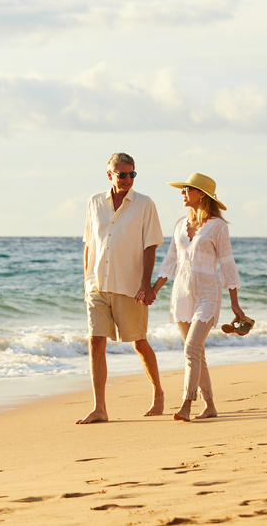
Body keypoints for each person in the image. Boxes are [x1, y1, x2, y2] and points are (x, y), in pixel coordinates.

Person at [149, 173, 247, 422]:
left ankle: (186, 403)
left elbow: (227, 263)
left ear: (201, 194)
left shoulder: (218, 227)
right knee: (196, 352)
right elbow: (171, 258)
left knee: (192, 347)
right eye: (182, 189)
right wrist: (154, 289)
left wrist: (235, 304)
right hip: (182, 293)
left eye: (187, 189)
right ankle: (210, 405)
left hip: (207, 293)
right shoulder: (180, 224)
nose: (182, 193)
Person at [77, 153, 165, 424]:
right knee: (95, 342)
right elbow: (89, 244)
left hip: (130, 287)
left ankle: (158, 393)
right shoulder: (94, 202)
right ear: (110, 175)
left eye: (132, 174)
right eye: (122, 174)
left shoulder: (144, 204)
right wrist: (86, 282)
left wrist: (146, 284)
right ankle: (100, 408)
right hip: (97, 285)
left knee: (139, 343)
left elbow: (150, 245)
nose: (128, 179)